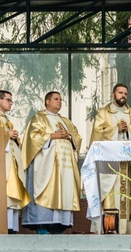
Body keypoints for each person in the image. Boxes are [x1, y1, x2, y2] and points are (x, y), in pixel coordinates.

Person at [88, 83, 131, 232]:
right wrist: (116, 130)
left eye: (125, 93)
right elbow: (97, 132)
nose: (123, 96)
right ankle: (107, 225)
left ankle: (126, 226)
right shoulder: (103, 112)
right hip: (108, 160)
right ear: (113, 95)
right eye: (120, 93)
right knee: (109, 189)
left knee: (125, 189)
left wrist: (129, 130)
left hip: (127, 159)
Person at [20, 91, 82, 234]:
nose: (59, 102)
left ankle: (60, 226)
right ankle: (43, 226)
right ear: (47, 101)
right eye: (56, 99)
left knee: (64, 190)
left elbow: (77, 137)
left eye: (60, 99)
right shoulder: (39, 118)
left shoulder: (66, 121)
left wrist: (70, 137)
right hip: (47, 166)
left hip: (64, 168)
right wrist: (53, 136)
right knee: (48, 189)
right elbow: (32, 138)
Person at [0, 89, 30, 233]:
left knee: (13, 190)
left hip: (11, 159)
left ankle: (12, 226)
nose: (11, 103)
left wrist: (14, 137)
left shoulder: (5, 119)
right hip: (2, 161)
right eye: (8, 100)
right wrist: (7, 134)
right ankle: (5, 226)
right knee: (6, 192)